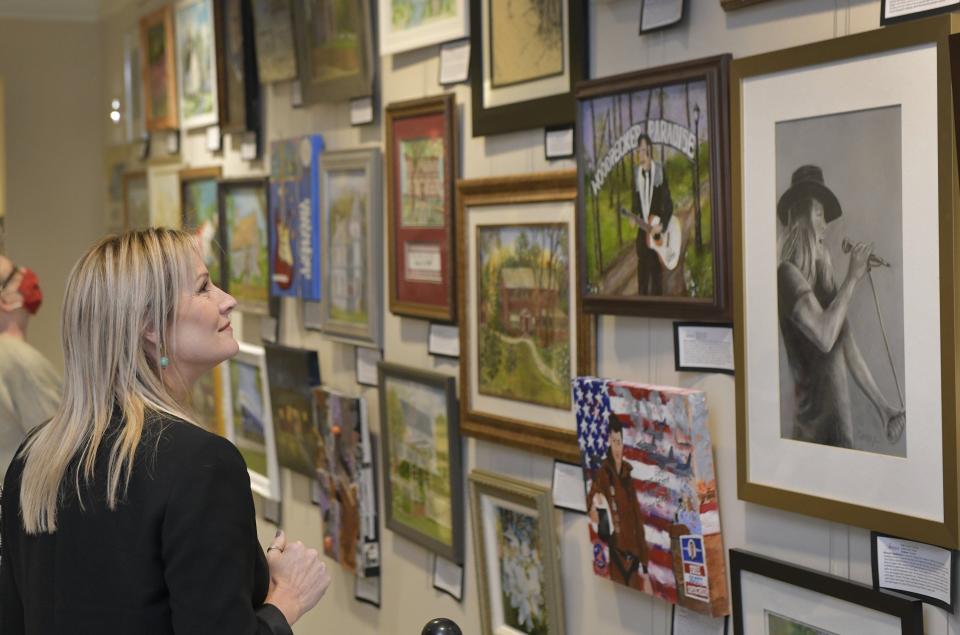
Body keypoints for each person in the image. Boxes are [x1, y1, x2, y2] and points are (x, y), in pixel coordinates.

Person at [0, 229, 330, 634]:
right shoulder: (202, 464)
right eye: (204, 288)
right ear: (151, 326)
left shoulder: (33, 456)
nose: (228, 299)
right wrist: (286, 601)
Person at [777, 164, 905, 448]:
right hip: (812, 435)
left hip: (840, 429)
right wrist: (852, 278)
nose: (825, 225)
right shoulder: (786, 275)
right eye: (820, 214)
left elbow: (844, 341)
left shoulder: (823, 278)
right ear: (800, 217)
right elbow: (824, 336)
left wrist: (884, 408)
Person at [0, 255, 62, 481]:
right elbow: (59, 448)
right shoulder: (19, 360)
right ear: (5, 300)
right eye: (14, 274)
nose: (25, 275)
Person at [587, 415, 650, 593]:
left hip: (635, 557)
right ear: (609, 442)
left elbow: (638, 520)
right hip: (617, 555)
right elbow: (589, 501)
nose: (617, 447)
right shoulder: (603, 475)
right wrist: (594, 506)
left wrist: (645, 569)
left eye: (620, 442)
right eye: (614, 441)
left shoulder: (628, 477)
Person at [632, 134, 674, 295]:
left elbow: (669, 205)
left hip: (657, 234)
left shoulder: (660, 172)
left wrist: (661, 225)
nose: (640, 154)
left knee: (656, 279)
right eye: (639, 150)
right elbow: (635, 204)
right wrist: (633, 216)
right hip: (642, 235)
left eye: (643, 149)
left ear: (649, 149)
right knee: (642, 279)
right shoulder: (636, 175)